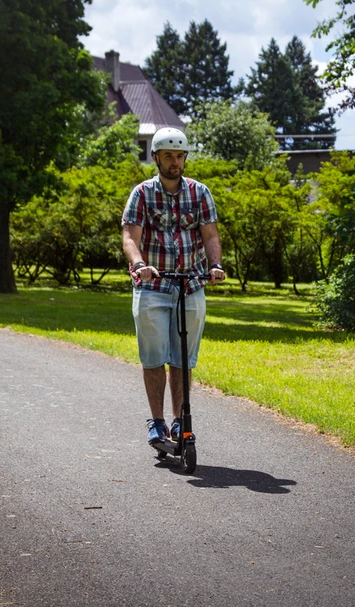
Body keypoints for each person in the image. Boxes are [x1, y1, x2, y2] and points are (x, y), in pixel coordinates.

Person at [121, 127, 225, 446]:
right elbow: (130, 238)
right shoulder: (142, 193)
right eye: (168, 156)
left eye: (180, 156)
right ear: (156, 158)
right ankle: (157, 422)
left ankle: (181, 422)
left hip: (191, 283)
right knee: (153, 357)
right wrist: (140, 265)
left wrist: (215, 265)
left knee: (182, 358)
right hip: (153, 285)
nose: (175, 162)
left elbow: (210, 235)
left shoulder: (199, 192)